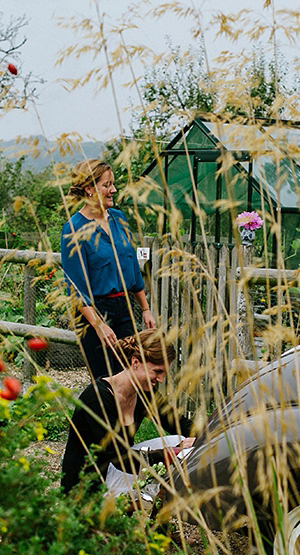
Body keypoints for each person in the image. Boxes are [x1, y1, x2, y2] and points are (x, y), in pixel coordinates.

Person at [61, 329, 194, 495]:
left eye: (164, 373)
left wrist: (202, 438)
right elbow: (120, 458)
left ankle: (148, 507)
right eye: (157, 372)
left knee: (182, 441)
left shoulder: (145, 392)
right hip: (90, 482)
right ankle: (141, 509)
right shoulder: (98, 397)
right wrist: (172, 454)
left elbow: (177, 422)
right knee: (171, 466)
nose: (160, 380)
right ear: (135, 362)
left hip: (118, 468)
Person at [60, 159, 155, 380]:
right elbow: (76, 289)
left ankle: (129, 416)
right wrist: (99, 325)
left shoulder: (119, 218)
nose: (113, 190)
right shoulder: (73, 229)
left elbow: (132, 266)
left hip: (124, 309)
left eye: (113, 184)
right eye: (107, 185)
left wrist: (146, 309)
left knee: (132, 376)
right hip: (94, 313)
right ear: (90, 189)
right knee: (107, 382)